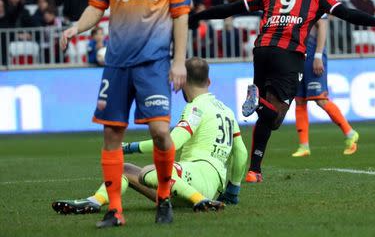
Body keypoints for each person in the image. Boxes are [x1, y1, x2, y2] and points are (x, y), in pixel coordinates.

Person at [188, 0, 375, 182]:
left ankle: (254, 170)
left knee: (265, 116)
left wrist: (196, 17)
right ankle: (257, 103)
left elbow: (230, 9)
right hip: (289, 54)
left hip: (262, 50)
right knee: (275, 117)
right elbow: (349, 14)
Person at [59, 0, 191, 227]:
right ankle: (115, 211)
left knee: (159, 131)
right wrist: (75, 28)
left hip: (154, 63)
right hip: (117, 64)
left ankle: (164, 197)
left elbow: (181, 15)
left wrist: (179, 60)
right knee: (112, 135)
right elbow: (97, 6)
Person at [52, 57, 247, 215]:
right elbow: (241, 153)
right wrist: (233, 191)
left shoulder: (195, 108)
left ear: (182, 80)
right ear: (209, 81)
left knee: (150, 172)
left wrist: (130, 147)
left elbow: (173, 142)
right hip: (202, 182)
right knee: (124, 169)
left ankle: (200, 201)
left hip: (196, 175)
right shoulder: (227, 111)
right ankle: (94, 201)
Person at [283, 0, 360, 158]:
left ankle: (350, 133)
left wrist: (318, 55)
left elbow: (322, 26)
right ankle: (304, 146)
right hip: (298, 55)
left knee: (319, 99)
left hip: (312, 54)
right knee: (299, 100)